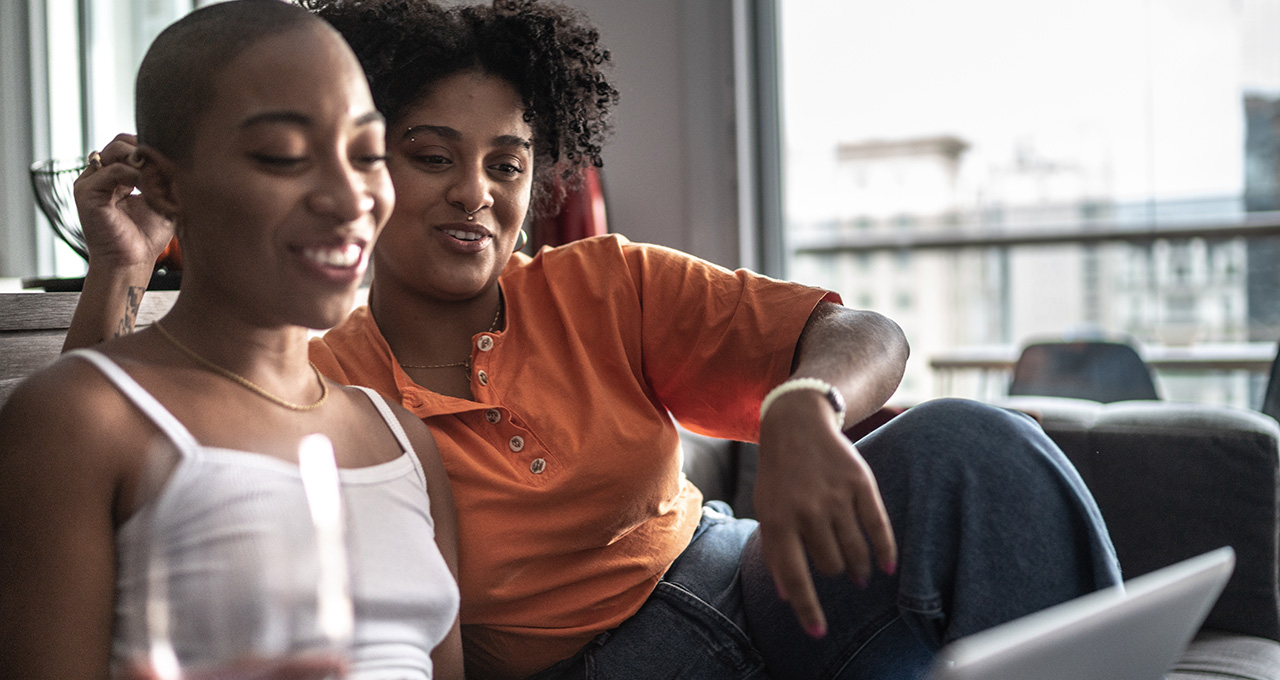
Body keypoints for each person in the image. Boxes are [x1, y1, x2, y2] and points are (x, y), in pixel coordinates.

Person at [63, 0, 1122, 678]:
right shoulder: (321, 366)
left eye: (507, 164)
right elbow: (116, 472)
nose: (474, 194)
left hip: (748, 582)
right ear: (365, 166)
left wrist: (805, 401)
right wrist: (119, 269)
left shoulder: (603, 283)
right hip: (600, 664)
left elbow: (863, 332)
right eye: (431, 156)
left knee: (974, 450)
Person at [0, 2, 464, 679]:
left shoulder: (403, 439)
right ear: (163, 183)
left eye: (368, 154)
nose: (348, 195)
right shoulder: (76, 419)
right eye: (284, 157)